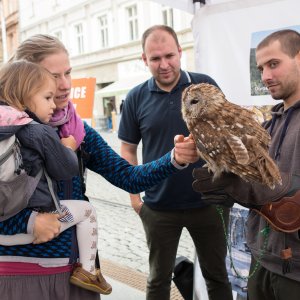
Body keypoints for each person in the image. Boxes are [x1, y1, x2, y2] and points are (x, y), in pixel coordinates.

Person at [0, 34, 199, 300]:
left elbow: (129, 178)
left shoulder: (78, 132)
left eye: (68, 73)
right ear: (26, 79)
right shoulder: (6, 131)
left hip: (77, 277)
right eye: (53, 75)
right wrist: (27, 222)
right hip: (21, 278)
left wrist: (175, 158)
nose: (65, 85)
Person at [118, 25, 233, 300]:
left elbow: (228, 134)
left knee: (216, 275)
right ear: (144, 60)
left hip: (209, 202)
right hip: (159, 207)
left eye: (169, 55)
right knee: (158, 279)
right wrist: (135, 198)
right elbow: (128, 151)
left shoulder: (204, 85)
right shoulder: (136, 97)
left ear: (181, 52)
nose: (164, 64)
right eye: (155, 58)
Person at [192, 29, 300, 300]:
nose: (265, 76)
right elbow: (254, 185)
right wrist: (229, 188)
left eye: (274, 64)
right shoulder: (268, 124)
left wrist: (249, 191)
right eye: (261, 67)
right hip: (263, 259)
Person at [0, 60, 112, 295]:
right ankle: (89, 271)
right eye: (47, 98)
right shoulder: (39, 130)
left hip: (5, 235)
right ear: (24, 98)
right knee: (87, 212)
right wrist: (68, 148)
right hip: (35, 228)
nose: (53, 105)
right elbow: (65, 169)